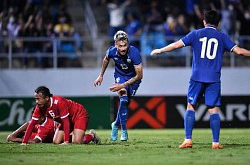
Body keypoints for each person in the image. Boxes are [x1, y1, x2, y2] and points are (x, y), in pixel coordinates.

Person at [150, 10, 250, 149]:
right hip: (214, 78)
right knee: (213, 110)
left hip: (197, 77)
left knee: (191, 106)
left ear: (204, 22)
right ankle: (215, 142)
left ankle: (188, 140)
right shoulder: (222, 37)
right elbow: (239, 51)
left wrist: (160, 50)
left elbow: (175, 45)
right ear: (218, 23)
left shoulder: (195, 34)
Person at [94, 30, 143, 141]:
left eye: (125, 45)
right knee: (123, 100)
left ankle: (115, 124)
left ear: (128, 44)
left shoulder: (134, 53)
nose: (123, 48)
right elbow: (106, 59)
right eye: (120, 46)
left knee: (125, 104)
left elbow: (139, 76)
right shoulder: (111, 51)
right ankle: (124, 131)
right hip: (120, 76)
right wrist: (101, 75)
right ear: (115, 45)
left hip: (134, 79)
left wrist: (123, 85)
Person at [21, 86, 100, 145]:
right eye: (35, 99)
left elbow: (66, 122)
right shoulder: (39, 107)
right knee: (56, 141)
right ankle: (78, 136)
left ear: (47, 98)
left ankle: (91, 136)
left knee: (77, 142)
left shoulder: (59, 102)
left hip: (79, 115)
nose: (36, 101)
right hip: (67, 120)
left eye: (38, 99)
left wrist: (66, 142)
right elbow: (32, 124)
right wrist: (24, 142)